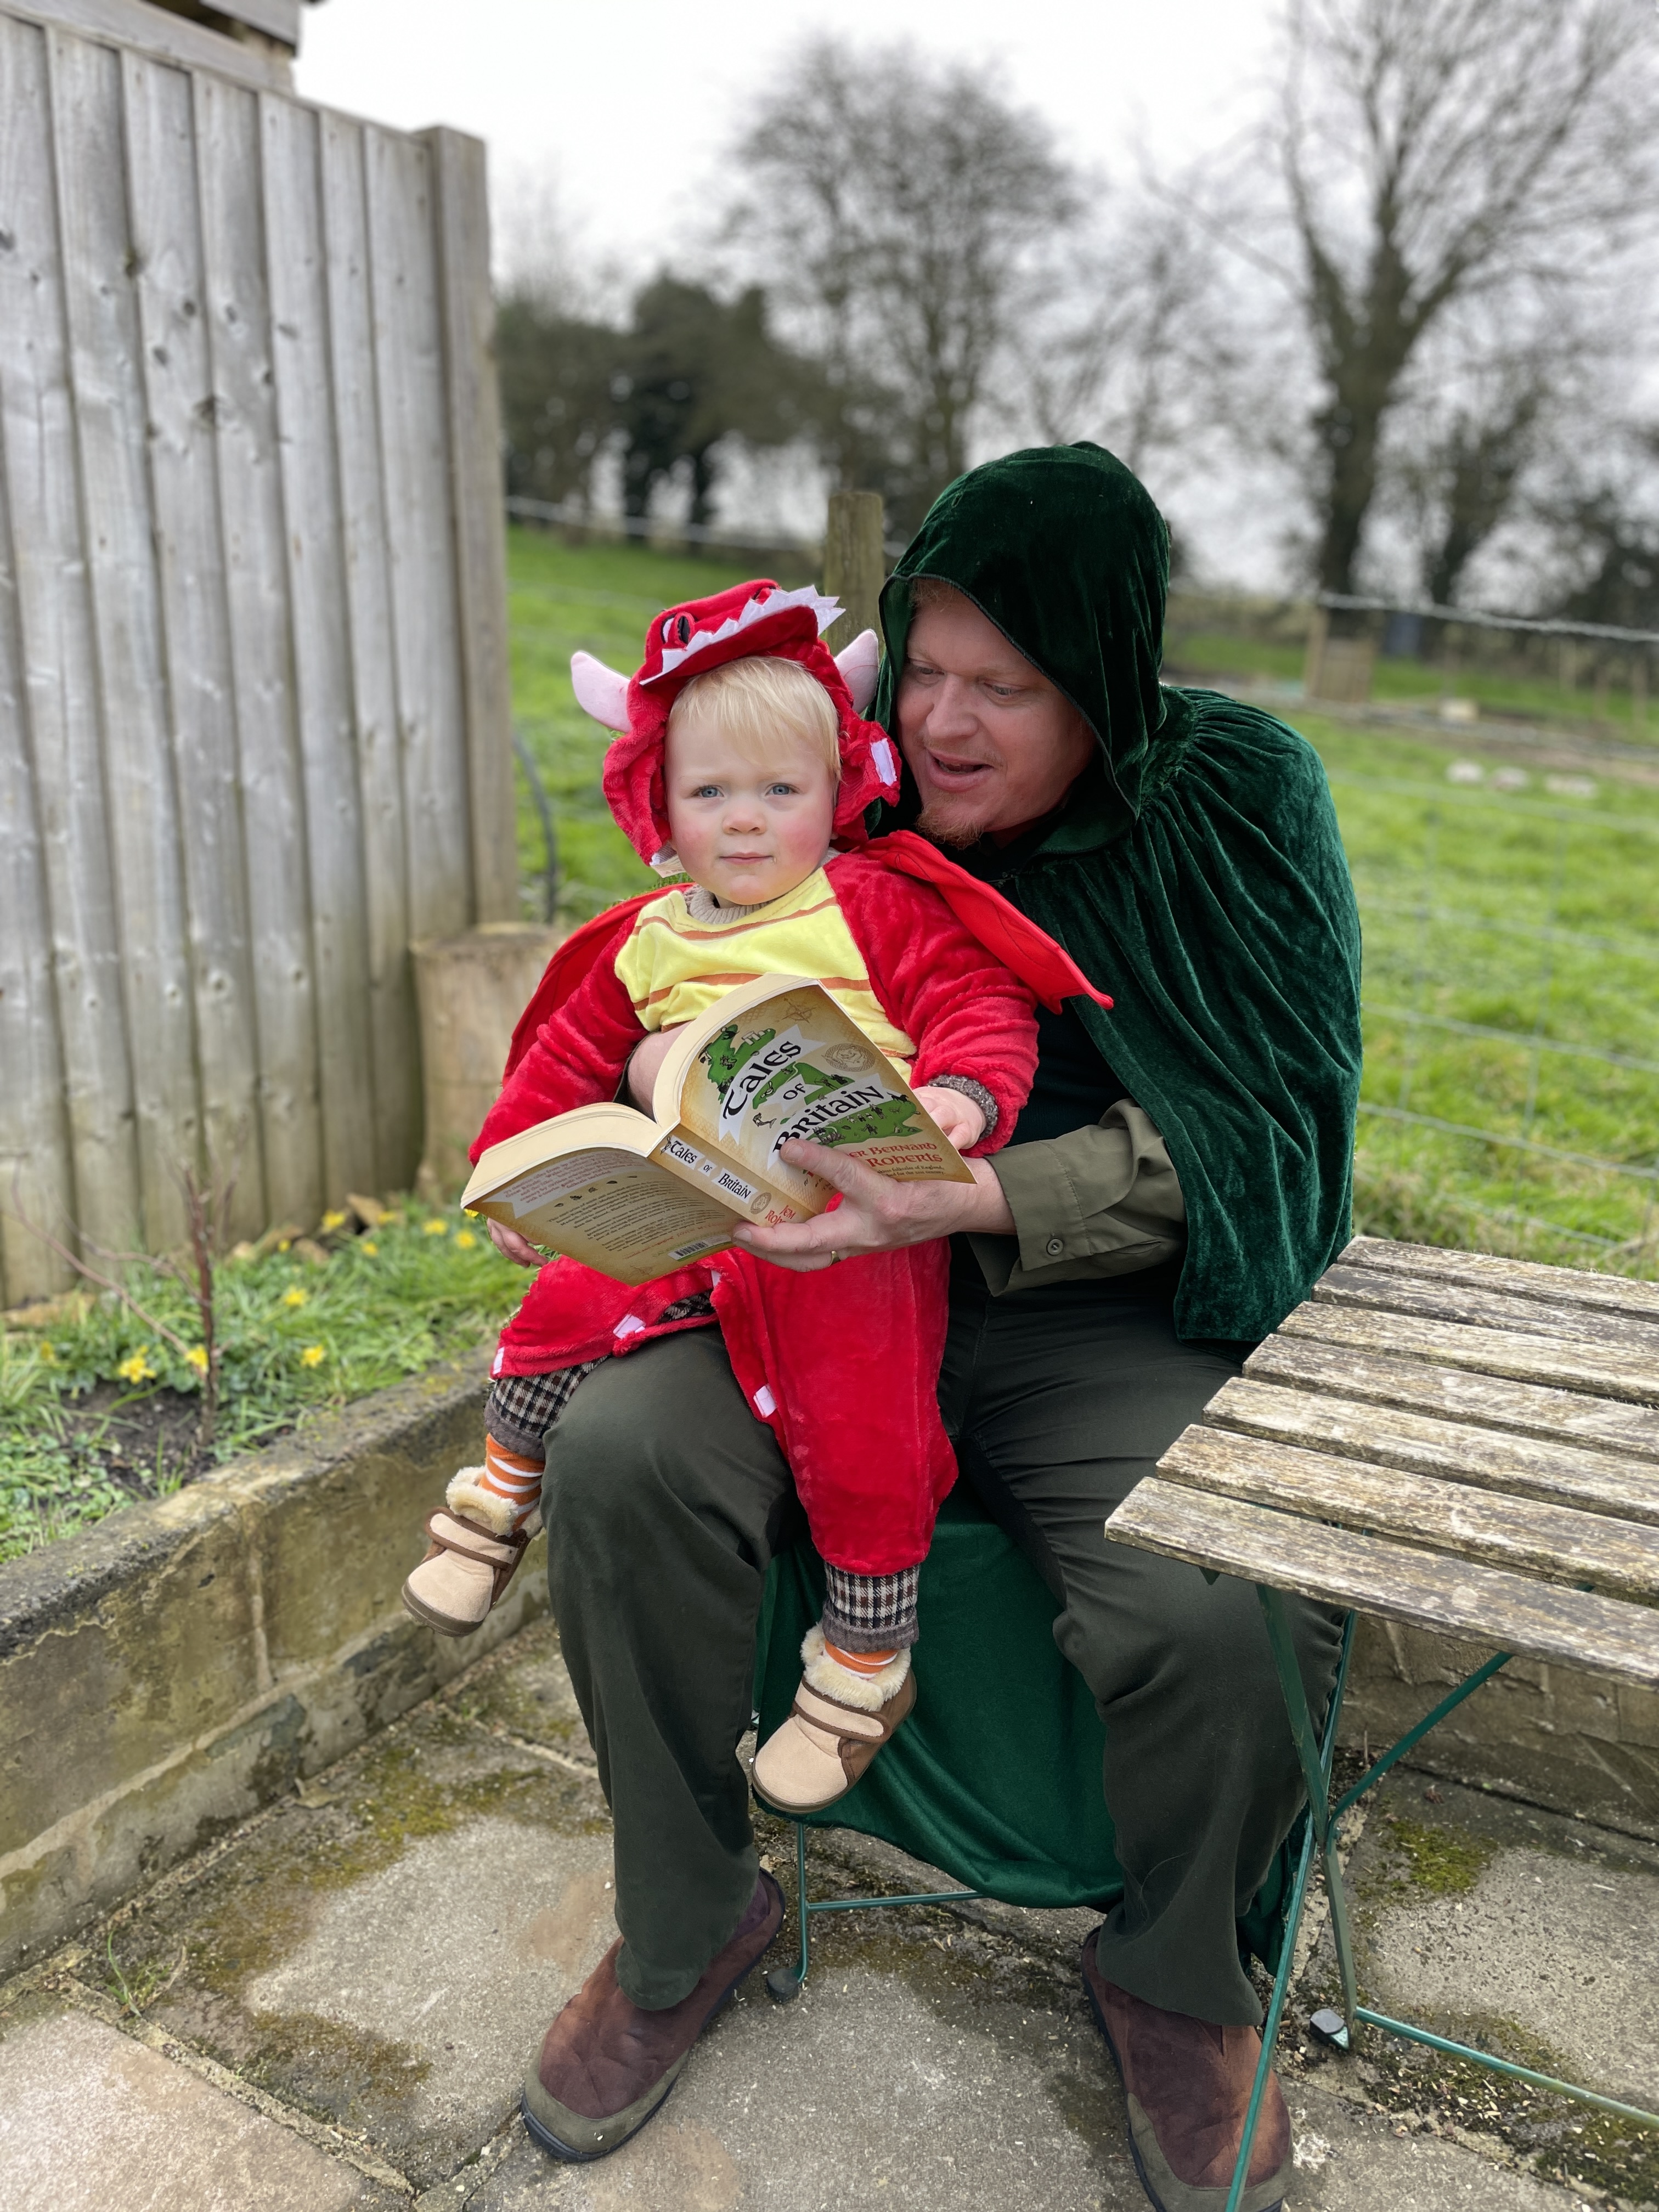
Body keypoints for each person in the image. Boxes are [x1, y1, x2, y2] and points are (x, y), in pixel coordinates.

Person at [512, 445, 1362, 2212]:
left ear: (1106, 687)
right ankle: (688, 1920)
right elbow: (664, 958)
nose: (946, 724)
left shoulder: (1234, 801)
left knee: (1221, 1603)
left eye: (1010, 686)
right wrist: (646, 1092)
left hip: (1085, 1307)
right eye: (928, 669)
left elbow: (1273, 1124)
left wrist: (973, 1197)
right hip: (802, 1281)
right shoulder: (845, 773)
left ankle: (1174, 1977)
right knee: (615, 1453)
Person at [402, 577, 1104, 1814]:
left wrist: (962, 1098)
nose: (743, 823)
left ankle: (863, 1667)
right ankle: (494, 1502)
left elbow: (977, 1004)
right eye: (709, 793)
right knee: (566, 1302)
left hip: (852, 1225)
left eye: (780, 792)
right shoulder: (651, 937)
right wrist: (516, 1174)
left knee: (866, 1428)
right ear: (657, 803)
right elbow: (560, 1062)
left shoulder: (873, 902)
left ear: (837, 790)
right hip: (698, 1199)